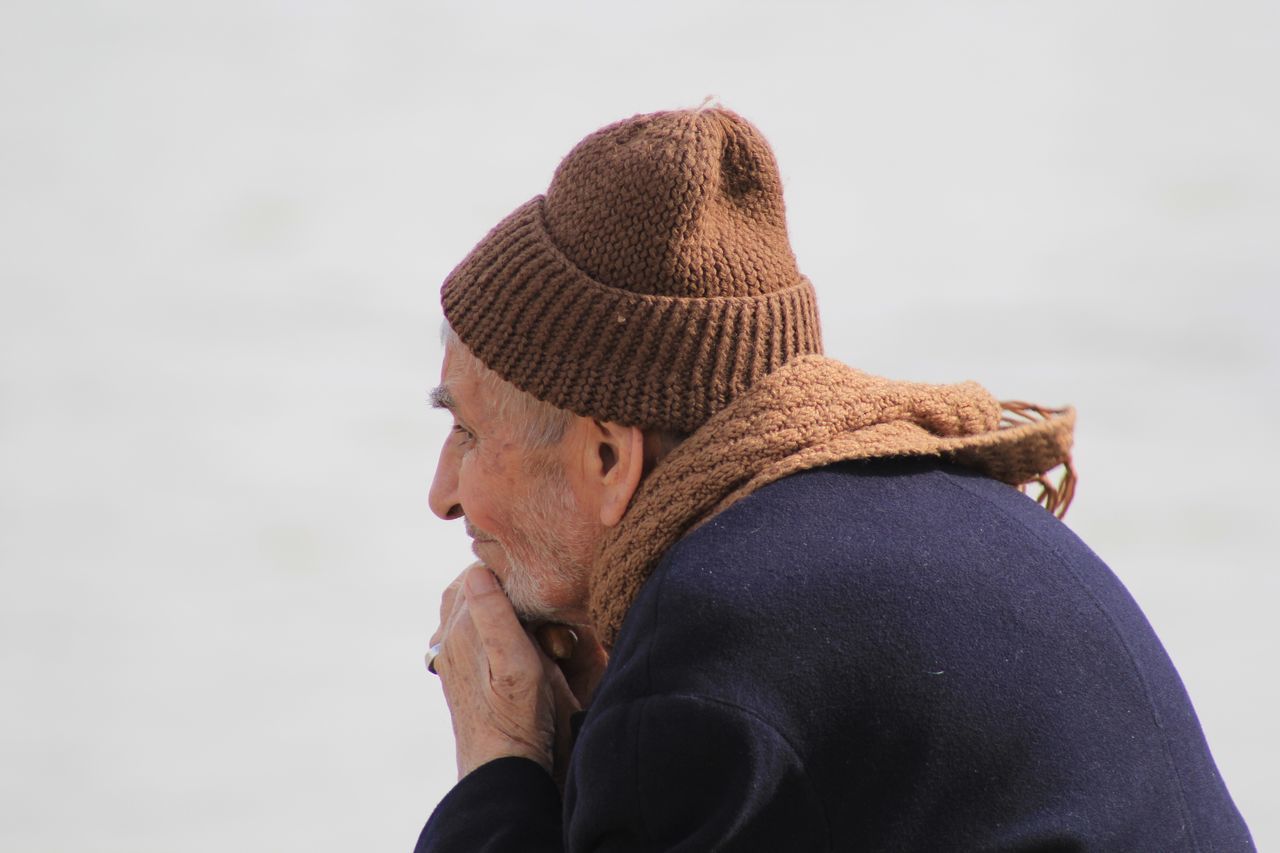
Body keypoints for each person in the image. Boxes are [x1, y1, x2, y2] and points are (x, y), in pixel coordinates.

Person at [413, 106, 1253, 851]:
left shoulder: (705, 648)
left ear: (607, 457)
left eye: (466, 431)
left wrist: (500, 763)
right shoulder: (965, 505)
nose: (441, 492)